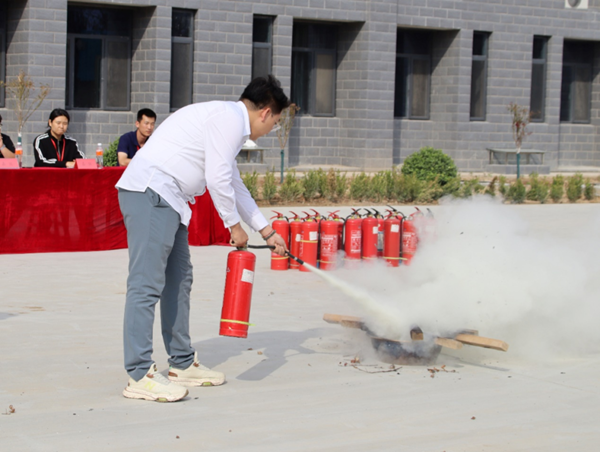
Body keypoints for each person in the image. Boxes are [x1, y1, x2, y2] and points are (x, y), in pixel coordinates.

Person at [115, 75, 289, 403]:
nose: (272, 130)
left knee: (179, 281)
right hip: (151, 192)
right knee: (146, 284)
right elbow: (218, 177)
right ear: (265, 112)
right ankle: (139, 373)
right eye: (276, 123)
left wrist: (266, 231)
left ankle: (181, 363)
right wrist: (233, 226)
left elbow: (234, 183)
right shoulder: (226, 119)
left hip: (171, 200)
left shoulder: (229, 125)